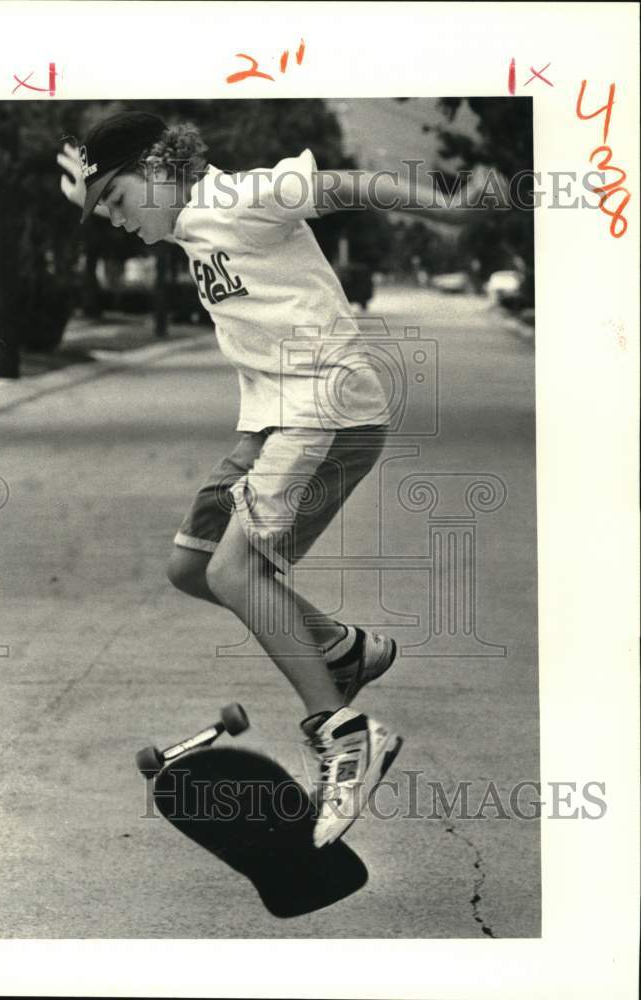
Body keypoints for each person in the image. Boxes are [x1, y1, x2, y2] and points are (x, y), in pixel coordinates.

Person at [57, 110, 466, 847]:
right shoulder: (186, 220)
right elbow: (148, 205)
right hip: (272, 422)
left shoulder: (242, 196)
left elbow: (347, 183)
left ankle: (345, 735)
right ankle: (343, 651)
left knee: (236, 568)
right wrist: (90, 182)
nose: (115, 222)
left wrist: (449, 201)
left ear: (157, 168)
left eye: (117, 201)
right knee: (192, 566)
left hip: (325, 409)